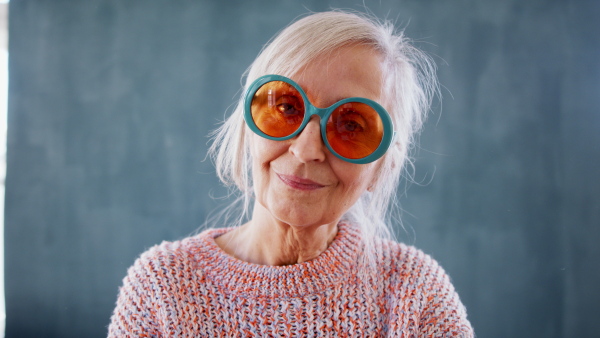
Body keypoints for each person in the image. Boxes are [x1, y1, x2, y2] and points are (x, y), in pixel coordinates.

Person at [108, 10, 473, 337]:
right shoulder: (161, 286)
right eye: (286, 107)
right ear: (247, 125)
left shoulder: (416, 291)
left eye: (351, 125)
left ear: (381, 167)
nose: (306, 149)